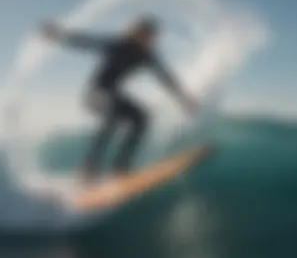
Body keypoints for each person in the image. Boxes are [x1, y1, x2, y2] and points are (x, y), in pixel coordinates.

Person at [40, 16, 199, 182]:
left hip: (113, 96)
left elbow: (165, 78)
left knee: (142, 118)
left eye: (152, 36)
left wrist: (184, 99)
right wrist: (58, 35)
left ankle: (120, 167)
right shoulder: (118, 45)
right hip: (94, 94)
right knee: (113, 113)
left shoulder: (147, 56)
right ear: (135, 33)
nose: (150, 39)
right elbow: (87, 42)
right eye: (146, 34)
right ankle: (89, 167)